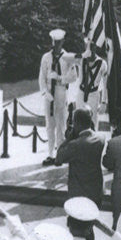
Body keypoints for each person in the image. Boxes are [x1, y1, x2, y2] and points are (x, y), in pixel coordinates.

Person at [39, 29, 78, 166]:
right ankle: (50, 154)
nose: (57, 45)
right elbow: (42, 78)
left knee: (61, 124)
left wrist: (60, 78)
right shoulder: (46, 57)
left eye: (59, 42)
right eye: (55, 43)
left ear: (63, 42)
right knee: (50, 125)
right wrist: (45, 92)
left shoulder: (68, 57)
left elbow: (73, 77)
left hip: (61, 91)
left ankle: (59, 155)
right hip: (50, 94)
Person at [55, 107, 106, 206]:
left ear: (77, 123)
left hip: (79, 195)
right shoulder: (101, 139)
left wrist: (69, 138)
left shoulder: (75, 145)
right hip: (96, 193)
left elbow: (58, 158)